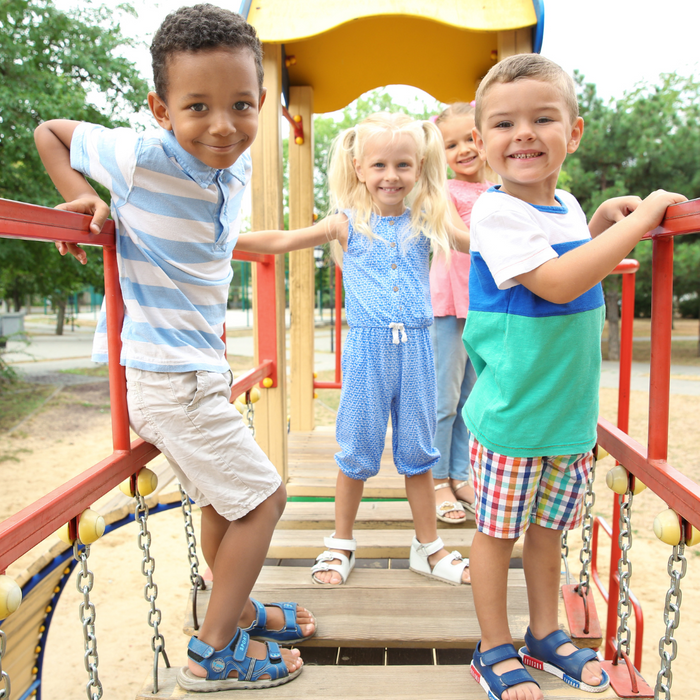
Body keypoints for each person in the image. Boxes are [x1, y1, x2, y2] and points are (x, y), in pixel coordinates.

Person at [34, 5, 316, 692]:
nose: (223, 126)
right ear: (161, 109)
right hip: (168, 377)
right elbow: (49, 131)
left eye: (242, 106)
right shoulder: (140, 155)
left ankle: (236, 607)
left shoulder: (236, 166)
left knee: (227, 501)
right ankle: (212, 651)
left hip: (200, 372)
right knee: (263, 499)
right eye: (198, 107)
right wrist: (80, 197)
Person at [464, 54, 686, 700]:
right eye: (504, 124)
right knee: (497, 534)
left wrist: (591, 227)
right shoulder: (494, 210)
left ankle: (543, 631)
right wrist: (644, 220)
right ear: (481, 143)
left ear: (575, 131)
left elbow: (564, 257)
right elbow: (558, 284)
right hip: (513, 412)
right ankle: (493, 646)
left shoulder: (563, 202)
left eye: (543, 118)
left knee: (547, 531)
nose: (523, 134)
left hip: (565, 413)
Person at [235, 112, 472, 587]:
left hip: (419, 349)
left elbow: (476, 244)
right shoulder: (346, 224)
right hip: (367, 351)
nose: (391, 176)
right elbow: (282, 240)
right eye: (379, 165)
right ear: (359, 167)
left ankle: (429, 548)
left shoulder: (425, 220)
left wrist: (550, 243)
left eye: (403, 165)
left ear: (420, 165)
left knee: (419, 453)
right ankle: (341, 541)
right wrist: (221, 242)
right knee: (357, 450)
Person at [430, 102, 494, 524]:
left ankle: (459, 471)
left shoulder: (499, 190)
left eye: (471, 138)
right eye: (450, 144)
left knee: (473, 397)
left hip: (485, 304)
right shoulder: (445, 191)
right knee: (444, 398)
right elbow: (456, 235)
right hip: (449, 303)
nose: (463, 149)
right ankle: (436, 480)